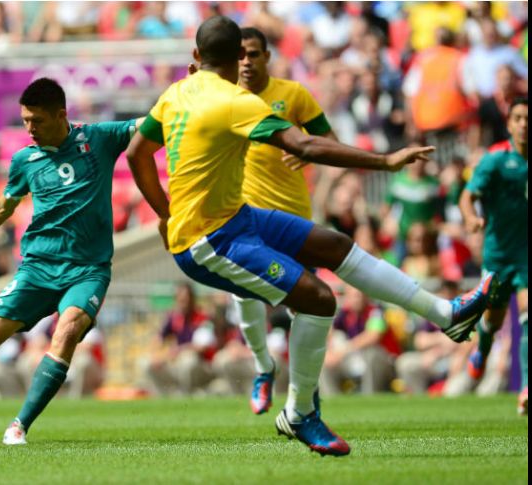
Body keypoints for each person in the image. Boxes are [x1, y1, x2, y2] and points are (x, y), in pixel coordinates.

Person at [126, 16, 496, 457]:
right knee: (319, 300)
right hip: (211, 242)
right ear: (238, 56)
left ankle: (444, 313)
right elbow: (305, 146)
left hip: (236, 218)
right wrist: (385, 160)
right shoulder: (234, 101)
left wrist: (165, 213)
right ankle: (299, 413)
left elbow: (136, 153)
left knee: (336, 246)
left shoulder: (175, 93)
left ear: (195, 57)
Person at [0, 77, 141, 445]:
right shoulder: (25, 160)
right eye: (25, 120)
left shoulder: (100, 138)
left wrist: (190, 91)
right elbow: (4, 206)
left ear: (61, 115)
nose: (29, 129)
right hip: (38, 267)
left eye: (37, 121)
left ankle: (19, 425)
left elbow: (150, 123)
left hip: (87, 269)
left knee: (70, 327)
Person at [231, 26, 341, 416]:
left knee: (305, 309)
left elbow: (329, 140)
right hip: (243, 221)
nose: (246, 61)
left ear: (267, 58)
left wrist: (309, 153)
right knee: (243, 297)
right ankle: (263, 368)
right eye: (240, 54)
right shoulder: (224, 98)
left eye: (254, 54)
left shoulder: (292, 95)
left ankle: (304, 395)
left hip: (293, 221)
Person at [459, 97, 528, 416]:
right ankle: (482, 351)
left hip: (525, 254)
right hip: (499, 253)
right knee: (494, 320)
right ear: (510, 123)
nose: (524, 124)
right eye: (518, 118)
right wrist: (471, 218)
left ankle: (526, 388)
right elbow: (467, 195)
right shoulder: (495, 159)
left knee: (527, 316)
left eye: (528, 118)